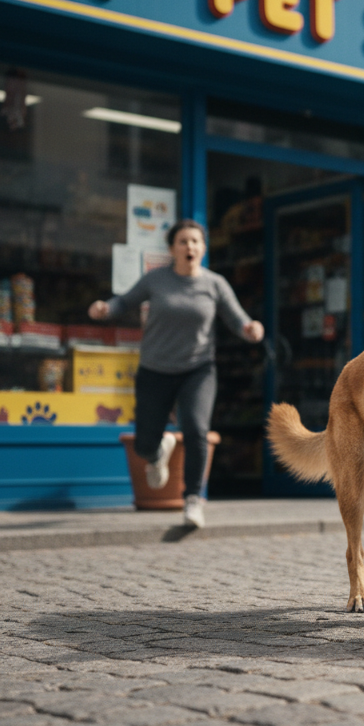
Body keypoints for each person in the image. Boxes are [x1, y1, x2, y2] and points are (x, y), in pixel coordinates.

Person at [89, 220, 263, 528]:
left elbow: (238, 319)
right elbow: (125, 302)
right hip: (154, 370)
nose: (190, 247)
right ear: (172, 249)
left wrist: (250, 329)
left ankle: (193, 499)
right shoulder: (156, 280)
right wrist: (106, 308)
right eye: (183, 242)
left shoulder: (215, 284)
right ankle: (158, 451)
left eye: (195, 241)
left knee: (196, 429)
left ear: (203, 248)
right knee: (143, 443)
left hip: (198, 369)